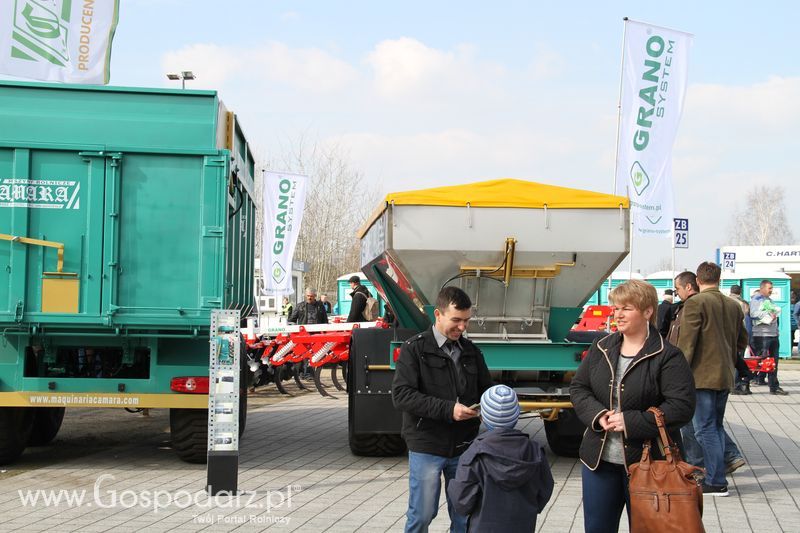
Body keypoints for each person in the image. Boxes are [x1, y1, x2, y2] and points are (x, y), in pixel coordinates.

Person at [571, 279, 695, 532]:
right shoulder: (602, 346)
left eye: (626, 308)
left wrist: (631, 421)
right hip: (599, 461)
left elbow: (682, 406)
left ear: (647, 311)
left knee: (650, 528)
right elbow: (578, 388)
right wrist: (598, 415)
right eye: (615, 308)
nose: (617, 314)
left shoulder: (667, 355)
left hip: (651, 465)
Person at [392, 286, 493, 533]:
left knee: (464, 517)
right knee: (422, 516)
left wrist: (492, 405)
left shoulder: (471, 351)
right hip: (427, 445)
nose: (462, 327)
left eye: (466, 321)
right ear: (438, 314)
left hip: (464, 447)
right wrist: (449, 410)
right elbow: (402, 395)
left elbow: (486, 390)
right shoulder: (414, 349)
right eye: (456, 320)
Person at [678, 262, 749, 496]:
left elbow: (687, 343)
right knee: (715, 427)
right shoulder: (733, 305)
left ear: (698, 281)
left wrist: (678, 374)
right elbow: (742, 341)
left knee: (704, 429)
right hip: (725, 375)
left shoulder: (695, 303)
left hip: (701, 376)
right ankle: (718, 476)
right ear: (720, 278)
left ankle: (716, 481)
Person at [447, 385, 554, 532]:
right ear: (516, 415)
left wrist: (452, 486)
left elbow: (462, 502)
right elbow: (545, 490)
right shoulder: (535, 451)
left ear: (482, 417)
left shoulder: (474, 454)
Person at [750, 280, 787, 395]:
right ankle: (744, 382)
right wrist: (768, 315)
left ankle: (774, 386)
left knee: (773, 362)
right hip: (763, 335)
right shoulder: (757, 300)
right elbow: (753, 314)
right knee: (760, 361)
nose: (771, 290)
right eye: (769, 288)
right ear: (762, 288)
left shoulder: (769, 300)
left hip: (772, 334)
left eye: (772, 288)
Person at [729, 284, 755, 395]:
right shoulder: (744, 303)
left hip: (727, 335)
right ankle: (736, 384)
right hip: (739, 334)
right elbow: (747, 321)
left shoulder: (724, 301)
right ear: (740, 292)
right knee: (738, 359)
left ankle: (730, 383)